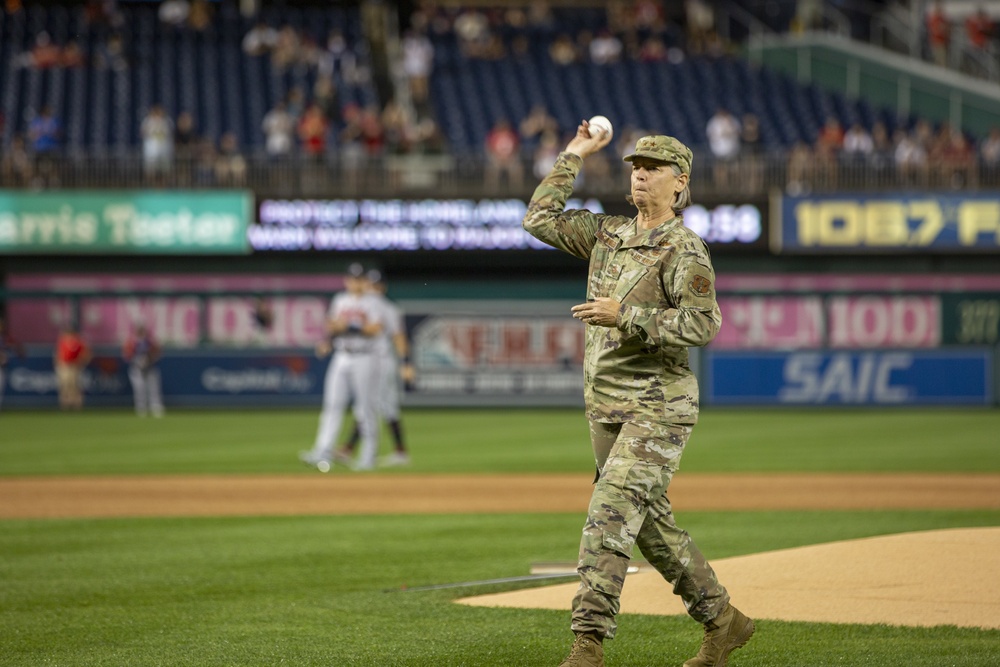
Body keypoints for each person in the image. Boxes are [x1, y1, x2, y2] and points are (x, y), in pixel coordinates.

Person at [522, 124, 754, 667]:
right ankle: (724, 622)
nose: (641, 173)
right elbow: (539, 219)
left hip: (659, 403)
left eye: (653, 166)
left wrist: (625, 315)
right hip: (605, 404)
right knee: (650, 526)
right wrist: (575, 153)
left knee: (609, 512)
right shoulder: (608, 233)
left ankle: (588, 642)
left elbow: (704, 324)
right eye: (635, 165)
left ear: (681, 182)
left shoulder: (684, 248)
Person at [299, 263, 386, 472]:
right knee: (332, 405)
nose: (355, 282)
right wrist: (327, 341)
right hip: (341, 355)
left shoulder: (374, 303)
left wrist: (347, 326)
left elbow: (375, 329)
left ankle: (368, 457)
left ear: (365, 281)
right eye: (352, 278)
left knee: (364, 408)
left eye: (359, 279)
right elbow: (332, 326)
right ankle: (322, 452)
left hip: (365, 356)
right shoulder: (340, 300)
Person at [334, 270, 414, 467]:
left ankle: (349, 449)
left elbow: (399, 337)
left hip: (380, 361)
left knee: (368, 405)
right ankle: (401, 452)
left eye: (377, 285)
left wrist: (405, 363)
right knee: (387, 406)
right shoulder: (364, 306)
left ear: (383, 287)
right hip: (373, 360)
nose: (373, 288)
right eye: (371, 284)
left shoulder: (386, 308)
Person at [122, 323, 165, 417]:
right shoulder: (131, 342)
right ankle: (141, 409)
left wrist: (150, 359)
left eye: (142, 329)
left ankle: (156, 408)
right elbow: (126, 356)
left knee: (153, 389)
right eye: (139, 329)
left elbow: (158, 352)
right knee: (139, 389)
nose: (141, 331)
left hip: (150, 368)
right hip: (136, 369)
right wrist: (137, 361)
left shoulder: (150, 342)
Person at [54, 323, 90, 411]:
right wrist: (58, 364)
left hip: (74, 366)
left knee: (74, 386)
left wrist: (81, 362)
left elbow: (87, 354)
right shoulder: (63, 342)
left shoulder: (78, 342)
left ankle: (76, 406)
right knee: (64, 386)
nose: (68, 335)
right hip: (64, 366)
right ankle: (65, 405)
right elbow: (58, 355)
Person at [0, 316, 26, 413]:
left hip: (2, 367)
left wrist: (19, 352)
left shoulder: (6, 337)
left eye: (1, 325)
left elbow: (16, 346)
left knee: (0, 387)